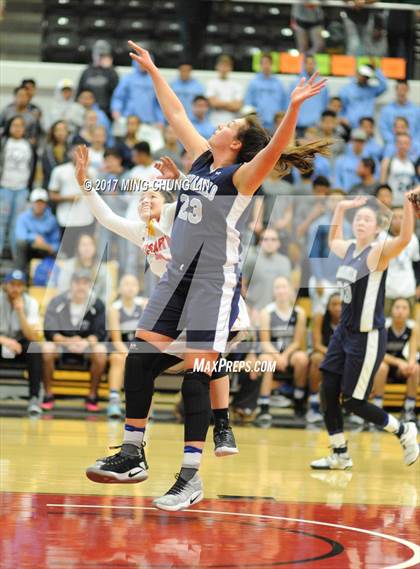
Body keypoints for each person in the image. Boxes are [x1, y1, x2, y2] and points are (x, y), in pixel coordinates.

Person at [82, 39, 327, 511]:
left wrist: (291, 112)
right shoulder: (199, 161)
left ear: (235, 143)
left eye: (229, 124)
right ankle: (133, 453)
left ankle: (190, 478)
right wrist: (154, 71)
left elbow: (274, 150)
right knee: (139, 358)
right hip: (176, 280)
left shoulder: (240, 178)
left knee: (197, 376)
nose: (219, 123)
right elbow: (176, 115)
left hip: (212, 287)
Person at [75, 147, 245, 452]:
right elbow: (106, 216)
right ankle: (138, 440)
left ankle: (223, 425)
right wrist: (84, 182)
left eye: (152, 195)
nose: (146, 200)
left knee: (209, 359)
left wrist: (177, 179)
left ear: (167, 203)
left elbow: (195, 198)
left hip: (215, 301)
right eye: (142, 198)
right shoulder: (141, 232)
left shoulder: (174, 216)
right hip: (180, 312)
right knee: (143, 367)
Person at [311, 190, 419, 471]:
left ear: (377, 227)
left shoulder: (378, 252)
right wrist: (341, 208)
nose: (360, 222)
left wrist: (407, 205)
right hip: (343, 333)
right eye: (357, 218)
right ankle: (339, 454)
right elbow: (331, 238)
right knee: (327, 388)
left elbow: (405, 238)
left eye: (367, 219)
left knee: (353, 402)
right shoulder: (348, 248)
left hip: (367, 335)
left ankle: (404, 430)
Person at [42, 269, 108, 412]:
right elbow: (49, 331)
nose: (81, 286)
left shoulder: (98, 305)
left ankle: (92, 395)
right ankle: (47, 394)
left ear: (90, 286)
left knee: (101, 352)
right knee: (46, 349)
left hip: (86, 345)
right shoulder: (56, 302)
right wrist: (67, 341)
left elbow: (100, 332)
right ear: (71, 284)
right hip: (61, 344)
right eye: (77, 282)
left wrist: (85, 342)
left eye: (85, 283)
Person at [256, 276, 309, 427]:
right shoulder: (266, 312)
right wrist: (277, 357)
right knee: (266, 362)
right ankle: (264, 406)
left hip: (290, 353)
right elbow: (265, 342)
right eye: (278, 287)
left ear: (291, 291)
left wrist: (284, 356)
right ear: (274, 292)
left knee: (302, 359)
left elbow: (297, 342)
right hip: (271, 352)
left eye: (284, 287)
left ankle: (298, 400)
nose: (281, 290)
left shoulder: (299, 313)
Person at [0, 270, 42, 415]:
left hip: (21, 343)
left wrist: (21, 312)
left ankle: (34, 398)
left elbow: (32, 336)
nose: (15, 288)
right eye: (12, 284)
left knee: (35, 348)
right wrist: (5, 341)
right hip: (2, 340)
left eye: (19, 285)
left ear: (24, 287)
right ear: (5, 285)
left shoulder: (31, 303)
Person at [372, 298, 419, 423]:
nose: (400, 311)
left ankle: (409, 410)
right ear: (391, 310)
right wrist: (398, 362)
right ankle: (377, 409)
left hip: (400, 369)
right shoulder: (383, 327)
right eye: (397, 307)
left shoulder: (413, 327)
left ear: (409, 312)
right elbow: (379, 354)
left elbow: (413, 352)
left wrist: (410, 364)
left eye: (404, 308)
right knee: (382, 367)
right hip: (383, 367)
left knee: (415, 369)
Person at [108, 274, 148, 419]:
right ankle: (114, 401)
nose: (130, 288)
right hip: (122, 347)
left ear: (138, 288)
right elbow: (116, 340)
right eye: (126, 284)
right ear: (119, 288)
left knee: (146, 362)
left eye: (133, 284)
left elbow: (148, 335)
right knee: (116, 359)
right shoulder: (114, 309)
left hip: (140, 346)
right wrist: (128, 354)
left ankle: (146, 404)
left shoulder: (144, 305)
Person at [48, 145, 95, 257]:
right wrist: (68, 198)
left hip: (85, 219)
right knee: (67, 254)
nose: (79, 156)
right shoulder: (59, 171)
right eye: (76, 152)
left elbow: (93, 192)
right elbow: (52, 195)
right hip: (66, 218)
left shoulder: (92, 171)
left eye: (82, 153)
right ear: (70, 154)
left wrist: (86, 170)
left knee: (84, 253)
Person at [0, 116, 35, 259]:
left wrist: (29, 186)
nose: (18, 128)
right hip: (5, 187)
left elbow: (32, 166)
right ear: (9, 127)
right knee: (1, 223)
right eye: (14, 125)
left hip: (22, 189)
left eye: (21, 125)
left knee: (17, 224)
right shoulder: (3, 142)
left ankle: (17, 260)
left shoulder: (28, 145)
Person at [242, 228, 292, 319]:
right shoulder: (252, 260)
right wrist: (249, 307)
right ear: (260, 242)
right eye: (265, 239)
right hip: (255, 313)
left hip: (278, 313)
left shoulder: (285, 262)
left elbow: (289, 288)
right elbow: (241, 284)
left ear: (278, 243)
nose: (269, 242)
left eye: (273, 239)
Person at [379, 205, 419, 315]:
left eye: (401, 217)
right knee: (385, 324)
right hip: (387, 290)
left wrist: (418, 285)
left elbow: (417, 264)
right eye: (394, 217)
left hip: (408, 289)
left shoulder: (413, 238)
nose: (398, 220)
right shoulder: (382, 237)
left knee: (409, 325)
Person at [308, 293, 342, 423]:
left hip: (342, 356)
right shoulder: (320, 318)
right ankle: (314, 405)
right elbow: (317, 345)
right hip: (323, 353)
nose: (338, 308)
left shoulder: (349, 320)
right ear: (328, 307)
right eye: (334, 304)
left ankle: (351, 407)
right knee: (317, 359)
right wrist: (333, 355)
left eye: (341, 305)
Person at [57, 233, 113, 305]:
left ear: (95, 248)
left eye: (90, 244)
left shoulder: (102, 269)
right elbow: (63, 289)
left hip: (95, 308)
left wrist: (98, 307)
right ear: (78, 247)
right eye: (83, 245)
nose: (87, 248)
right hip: (71, 306)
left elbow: (107, 292)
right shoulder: (69, 266)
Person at [15, 188, 60, 273]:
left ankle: (49, 276)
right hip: (29, 248)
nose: (39, 205)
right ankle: (19, 273)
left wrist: (49, 246)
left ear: (46, 204)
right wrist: (34, 238)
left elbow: (56, 241)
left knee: (57, 252)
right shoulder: (23, 217)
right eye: (37, 202)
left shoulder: (52, 219)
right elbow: (20, 235)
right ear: (32, 203)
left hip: (45, 249)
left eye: (42, 202)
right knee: (20, 243)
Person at [111, 59, 163, 125]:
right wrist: (116, 110)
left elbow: (160, 103)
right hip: (130, 120)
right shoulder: (128, 79)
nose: (143, 65)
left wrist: (161, 119)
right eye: (140, 62)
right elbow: (118, 97)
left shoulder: (155, 80)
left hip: (150, 121)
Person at [244, 53, 286, 132]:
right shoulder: (253, 83)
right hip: (259, 124)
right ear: (260, 65)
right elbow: (248, 104)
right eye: (263, 63)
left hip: (275, 124)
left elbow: (284, 104)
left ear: (271, 64)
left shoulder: (278, 83)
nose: (266, 66)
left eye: (268, 63)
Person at [76, 40, 119, 117]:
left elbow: (117, 93)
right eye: (99, 55)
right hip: (86, 112)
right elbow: (79, 93)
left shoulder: (112, 72)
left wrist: (109, 70)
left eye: (103, 55)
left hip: (106, 113)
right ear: (93, 55)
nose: (100, 58)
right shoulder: (87, 72)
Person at [288, 55, 329, 136]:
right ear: (304, 65)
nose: (310, 66)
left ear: (315, 65)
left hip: (316, 126)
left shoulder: (321, 84)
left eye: (312, 63)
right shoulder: (296, 83)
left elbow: (325, 104)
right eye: (308, 63)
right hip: (298, 125)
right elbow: (290, 104)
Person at [339, 64, 387, 129]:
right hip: (349, 126)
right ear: (357, 74)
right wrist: (342, 118)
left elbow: (384, 86)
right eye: (362, 75)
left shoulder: (372, 90)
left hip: (366, 127)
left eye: (366, 76)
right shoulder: (346, 90)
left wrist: (376, 70)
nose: (364, 78)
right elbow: (340, 107)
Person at [206, 54, 243, 128]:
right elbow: (213, 103)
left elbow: (237, 106)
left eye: (226, 66)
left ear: (230, 68)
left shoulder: (237, 86)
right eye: (222, 65)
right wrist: (231, 104)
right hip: (214, 123)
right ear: (216, 67)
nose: (224, 68)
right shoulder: (211, 84)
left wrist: (219, 104)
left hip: (231, 124)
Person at [379, 81, 420, 145]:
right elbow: (383, 129)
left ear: (408, 90)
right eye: (400, 89)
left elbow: (418, 130)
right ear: (396, 90)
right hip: (392, 145)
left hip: (413, 145)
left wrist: (412, 143)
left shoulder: (416, 110)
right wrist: (395, 142)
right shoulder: (386, 110)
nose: (402, 92)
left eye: (404, 89)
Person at [380, 134, 416, 206]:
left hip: (408, 205)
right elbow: (382, 184)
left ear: (410, 145)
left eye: (406, 143)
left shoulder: (412, 164)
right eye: (400, 143)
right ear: (396, 144)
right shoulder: (388, 162)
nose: (403, 146)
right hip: (392, 204)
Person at [334, 128, 369, 192]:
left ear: (365, 143)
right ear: (351, 141)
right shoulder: (342, 159)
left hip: (362, 195)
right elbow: (337, 180)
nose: (358, 143)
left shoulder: (369, 160)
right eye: (356, 140)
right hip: (345, 194)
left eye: (361, 141)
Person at [41, 120, 70, 189]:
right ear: (53, 132)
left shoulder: (71, 149)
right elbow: (48, 170)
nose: (60, 133)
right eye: (58, 130)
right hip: (50, 185)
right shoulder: (48, 150)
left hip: (67, 186)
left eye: (63, 130)